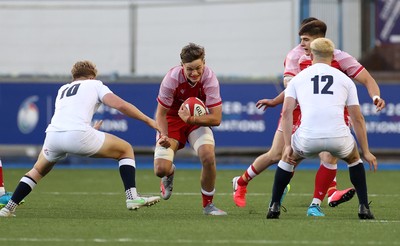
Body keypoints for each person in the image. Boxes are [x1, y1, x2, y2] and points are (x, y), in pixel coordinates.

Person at [232, 18, 385, 216]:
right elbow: (291, 92)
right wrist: (275, 101)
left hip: (322, 112)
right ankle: (242, 181)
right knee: (277, 154)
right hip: (297, 109)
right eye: (301, 40)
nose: (301, 44)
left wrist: (375, 96)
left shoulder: (339, 57)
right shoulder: (295, 56)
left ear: (318, 41)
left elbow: (367, 79)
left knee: (328, 152)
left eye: (305, 40)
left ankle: (318, 201)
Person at [0, 60, 160, 217]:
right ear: (91, 77)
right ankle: (132, 198)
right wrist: (148, 120)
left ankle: (8, 208)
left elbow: (68, 118)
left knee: (37, 171)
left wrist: (89, 131)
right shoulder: (95, 84)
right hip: (78, 135)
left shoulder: (63, 89)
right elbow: (120, 105)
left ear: (74, 77)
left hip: (53, 136)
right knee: (125, 149)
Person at [266, 37, 377, 220]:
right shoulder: (345, 80)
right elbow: (358, 118)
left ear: (310, 56)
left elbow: (286, 112)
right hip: (338, 138)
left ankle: (275, 205)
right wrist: (366, 151)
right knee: (354, 159)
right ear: (332, 55)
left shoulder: (298, 79)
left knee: (288, 160)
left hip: (307, 138)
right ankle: (364, 207)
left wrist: (287, 145)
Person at [154, 43, 227, 216]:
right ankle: (170, 172)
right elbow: (161, 114)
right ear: (182, 66)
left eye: (198, 68)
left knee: (208, 156)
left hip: (197, 120)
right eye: (189, 69)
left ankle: (208, 205)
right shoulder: (171, 79)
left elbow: (216, 118)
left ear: (204, 63)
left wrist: (192, 119)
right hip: (172, 118)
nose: (194, 73)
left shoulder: (210, 79)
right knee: (160, 170)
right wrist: (163, 135)